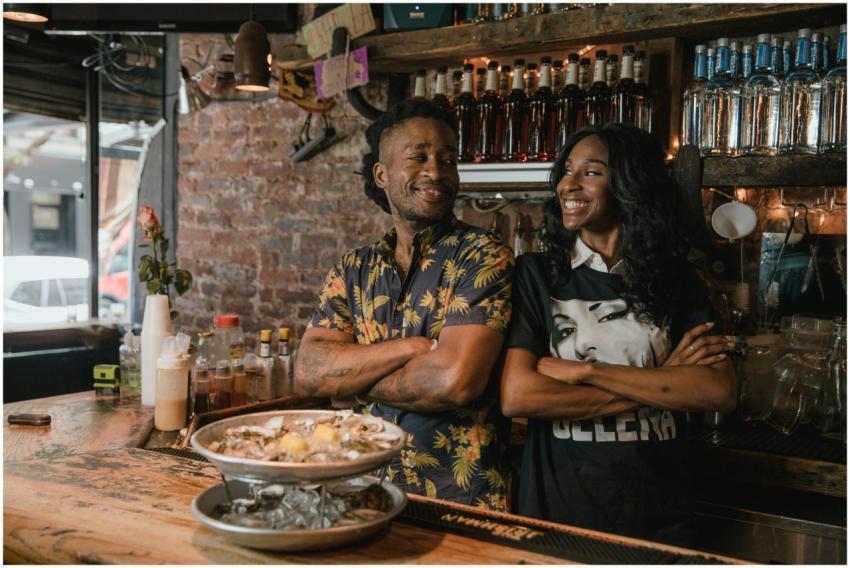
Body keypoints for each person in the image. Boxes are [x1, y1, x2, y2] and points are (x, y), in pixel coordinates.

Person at [500, 123, 736, 545]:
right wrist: (664, 378)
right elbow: (520, 395)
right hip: (559, 513)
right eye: (566, 170)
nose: (567, 184)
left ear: (629, 184)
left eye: (590, 172)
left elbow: (717, 390)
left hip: (659, 515)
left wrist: (584, 373)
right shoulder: (538, 275)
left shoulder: (676, 280)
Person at [295, 99, 514, 510]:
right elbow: (309, 372)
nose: (437, 171)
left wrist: (353, 385)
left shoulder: (482, 255)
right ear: (382, 174)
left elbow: (454, 380)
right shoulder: (353, 269)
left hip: (458, 499)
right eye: (419, 157)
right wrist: (410, 349)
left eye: (448, 160)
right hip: (361, 492)